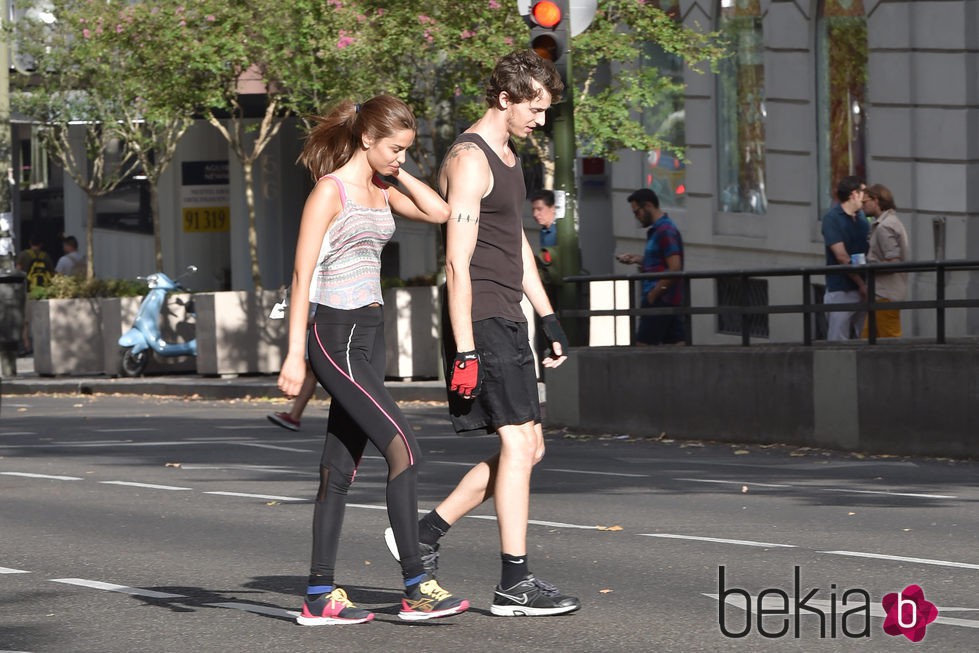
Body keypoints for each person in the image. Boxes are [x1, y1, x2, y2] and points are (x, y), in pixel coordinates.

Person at [385, 49, 581, 617]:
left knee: (531, 448)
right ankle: (513, 583)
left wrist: (547, 316)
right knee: (519, 444)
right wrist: (465, 347)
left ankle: (424, 533)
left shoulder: (508, 155)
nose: (540, 121)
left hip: (510, 312)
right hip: (482, 316)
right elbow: (456, 262)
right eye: (535, 109)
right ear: (505, 99)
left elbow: (515, 241)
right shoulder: (470, 160)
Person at [277, 95, 468, 626]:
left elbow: (440, 211)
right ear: (366, 139)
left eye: (407, 149)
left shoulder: (384, 188)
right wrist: (296, 356)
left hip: (370, 336)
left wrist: (397, 173)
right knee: (403, 447)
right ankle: (416, 585)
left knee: (339, 468)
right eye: (394, 148)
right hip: (333, 336)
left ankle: (319, 594)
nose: (401, 158)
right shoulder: (328, 192)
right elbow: (301, 277)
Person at [615, 188, 685, 345]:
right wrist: (639, 260)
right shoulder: (658, 231)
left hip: (660, 300)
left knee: (643, 347)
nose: (637, 217)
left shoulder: (665, 231)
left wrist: (653, 294)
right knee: (677, 347)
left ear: (647, 206)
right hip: (665, 299)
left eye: (637, 212)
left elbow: (674, 267)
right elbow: (661, 262)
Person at [821, 175, 870, 341]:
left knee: (865, 337)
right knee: (838, 339)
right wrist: (861, 283)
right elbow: (842, 257)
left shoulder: (863, 218)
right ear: (854, 194)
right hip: (841, 288)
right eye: (864, 192)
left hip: (863, 287)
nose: (867, 196)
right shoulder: (832, 219)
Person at [861, 184, 910, 338]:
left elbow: (893, 261)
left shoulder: (884, 227)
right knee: (867, 338)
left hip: (885, 294)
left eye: (864, 202)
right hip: (881, 294)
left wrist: (869, 265)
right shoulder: (890, 221)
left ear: (875, 200)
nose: (862, 206)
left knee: (890, 341)